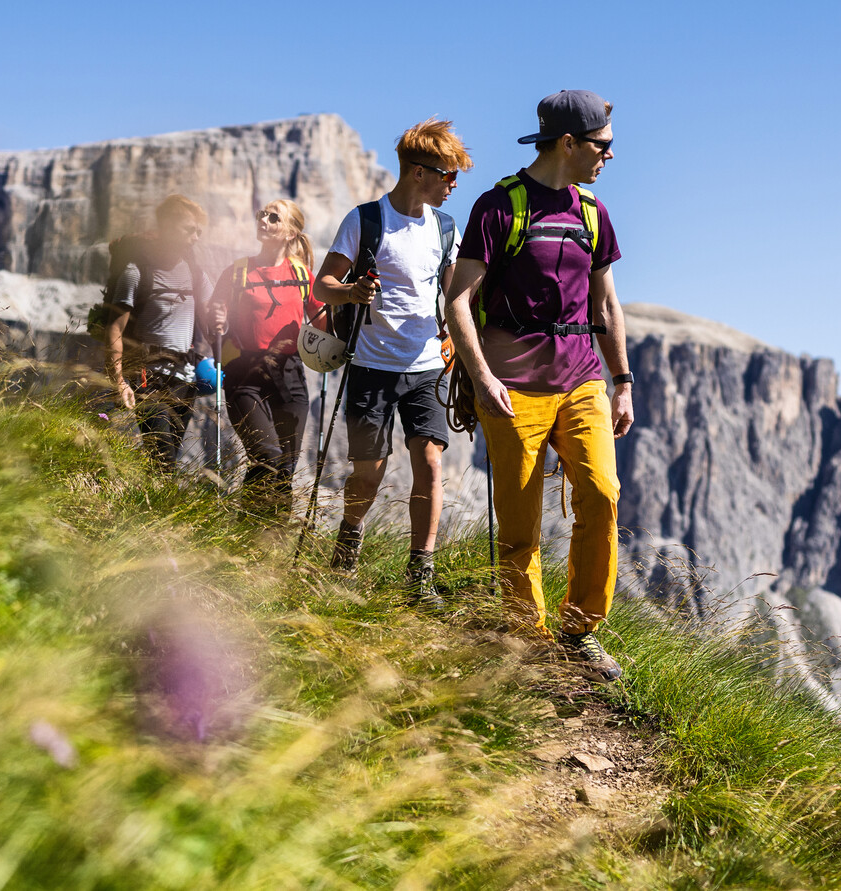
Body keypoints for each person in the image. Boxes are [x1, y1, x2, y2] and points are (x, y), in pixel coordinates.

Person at [443, 90, 634, 682]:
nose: (609, 156)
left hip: (582, 378)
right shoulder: (499, 207)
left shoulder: (593, 212)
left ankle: (579, 632)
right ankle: (529, 641)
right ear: (569, 143)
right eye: (603, 145)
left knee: (602, 493)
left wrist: (622, 381)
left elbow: (606, 302)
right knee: (520, 524)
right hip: (512, 386)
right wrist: (480, 378)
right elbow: (457, 299)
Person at [313, 119, 471, 607]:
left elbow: (455, 295)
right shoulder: (365, 220)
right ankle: (349, 544)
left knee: (429, 461)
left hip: (426, 366)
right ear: (419, 173)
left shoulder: (446, 229)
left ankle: (419, 574)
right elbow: (322, 287)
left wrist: (465, 351)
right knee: (369, 471)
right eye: (448, 176)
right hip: (370, 365)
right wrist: (352, 291)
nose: (454, 186)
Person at [208, 199, 321, 514]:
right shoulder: (236, 273)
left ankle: (272, 547)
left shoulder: (302, 276)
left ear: (290, 232)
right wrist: (215, 319)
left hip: (291, 375)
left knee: (285, 467)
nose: (264, 220)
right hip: (244, 375)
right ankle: (248, 538)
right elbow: (211, 323)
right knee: (266, 456)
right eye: (262, 214)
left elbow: (326, 327)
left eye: (274, 218)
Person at [100, 195, 214, 473]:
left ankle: (151, 508)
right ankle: (159, 511)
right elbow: (115, 329)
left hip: (184, 380)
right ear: (167, 227)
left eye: (199, 231)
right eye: (189, 229)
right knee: (162, 453)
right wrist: (118, 380)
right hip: (147, 377)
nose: (195, 237)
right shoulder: (135, 272)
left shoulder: (196, 274)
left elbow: (214, 321)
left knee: (167, 456)